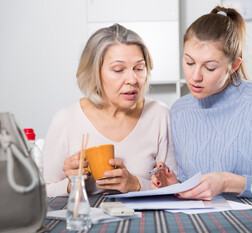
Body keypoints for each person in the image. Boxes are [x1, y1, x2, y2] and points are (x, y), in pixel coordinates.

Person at [151, 6, 252, 203]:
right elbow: (194, 187)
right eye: (189, 63)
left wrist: (227, 182)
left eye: (210, 67)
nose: (195, 77)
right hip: (200, 223)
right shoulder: (179, 110)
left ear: (234, 65)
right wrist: (175, 185)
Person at [42, 23, 176, 197]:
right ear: (94, 73)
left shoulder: (159, 114)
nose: (133, 79)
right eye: (118, 70)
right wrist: (72, 184)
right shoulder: (65, 119)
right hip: (86, 220)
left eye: (139, 68)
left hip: (145, 221)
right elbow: (44, 191)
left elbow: (174, 186)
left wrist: (135, 184)